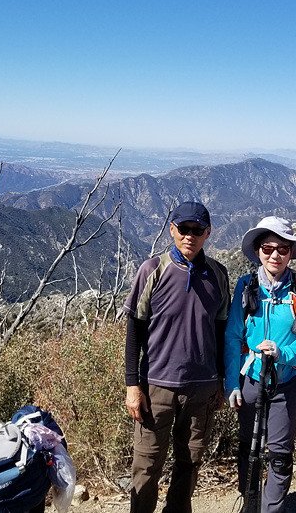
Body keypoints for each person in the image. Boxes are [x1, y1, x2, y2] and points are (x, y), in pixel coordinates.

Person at [123, 201, 230, 513]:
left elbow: (221, 332)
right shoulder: (153, 270)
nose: (190, 236)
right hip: (157, 386)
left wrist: (221, 381)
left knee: (190, 462)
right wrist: (133, 385)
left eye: (197, 231)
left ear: (208, 233)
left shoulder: (218, 275)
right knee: (146, 466)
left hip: (202, 387)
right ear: (172, 229)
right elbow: (134, 330)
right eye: (183, 229)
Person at [225, 216, 296, 513]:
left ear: (291, 252)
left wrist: (283, 353)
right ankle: (250, 501)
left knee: (280, 454)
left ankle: (272, 509)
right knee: (248, 449)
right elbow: (232, 335)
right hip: (250, 379)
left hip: (287, 382)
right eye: (268, 248)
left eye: (283, 248)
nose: (275, 255)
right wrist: (231, 383)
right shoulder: (246, 286)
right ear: (258, 251)